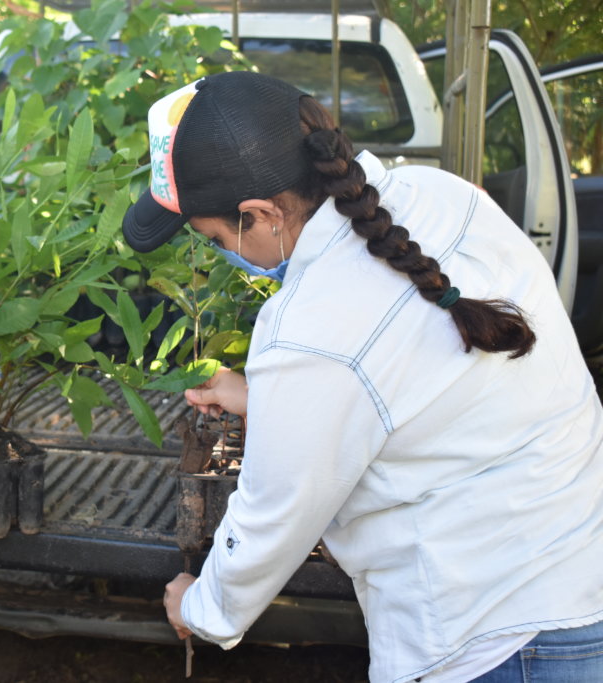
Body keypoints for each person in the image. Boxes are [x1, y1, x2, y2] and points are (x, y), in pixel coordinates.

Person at [122, 71, 603, 682]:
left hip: (491, 638)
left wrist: (201, 605)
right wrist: (270, 397)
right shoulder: (441, 194)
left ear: (261, 215)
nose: (220, 250)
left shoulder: (310, 325)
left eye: (215, 237)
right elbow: (416, 374)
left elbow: (274, 514)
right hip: (577, 579)